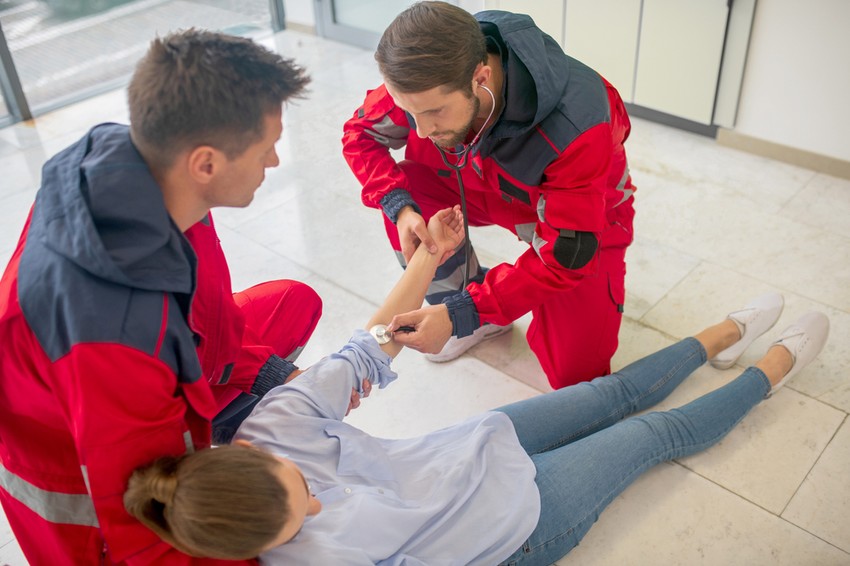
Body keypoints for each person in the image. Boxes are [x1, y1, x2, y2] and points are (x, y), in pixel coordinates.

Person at [125, 207, 830, 565]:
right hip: (515, 523)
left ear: (253, 452)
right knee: (651, 434)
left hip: (469, 450)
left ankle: (726, 333)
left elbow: (370, 345)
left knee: (607, 395)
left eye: (297, 486)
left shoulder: (273, 422)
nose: (313, 504)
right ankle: (776, 369)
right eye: (297, 520)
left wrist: (429, 257)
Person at [0, 30, 330, 565]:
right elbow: (146, 526)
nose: (274, 160)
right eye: (265, 147)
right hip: (78, 468)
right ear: (206, 164)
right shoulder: (115, 336)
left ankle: (226, 424)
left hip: (129, 375)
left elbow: (209, 317)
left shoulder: (145, 173)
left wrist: (271, 373)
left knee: (291, 302)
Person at [342, 1, 636, 389]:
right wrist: (400, 209)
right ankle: (470, 306)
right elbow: (361, 135)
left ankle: (470, 309)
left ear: (480, 78)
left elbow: (564, 258)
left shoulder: (579, 124)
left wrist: (460, 314)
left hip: (575, 218)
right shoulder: (427, 71)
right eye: (409, 112)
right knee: (405, 189)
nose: (422, 130)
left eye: (434, 112)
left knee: (577, 380)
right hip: (479, 184)